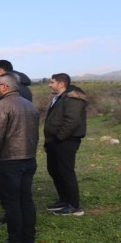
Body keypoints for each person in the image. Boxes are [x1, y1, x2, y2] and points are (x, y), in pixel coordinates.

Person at [0, 73, 40, 243]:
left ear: (5, 87)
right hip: (29, 158)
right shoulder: (30, 105)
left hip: (8, 161)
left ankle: (15, 242)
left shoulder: (1, 105)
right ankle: (29, 237)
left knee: (11, 202)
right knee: (26, 198)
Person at [43, 73, 87, 216]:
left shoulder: (73, 97)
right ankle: (64, 199)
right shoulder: (59, 97)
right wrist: (49, 142)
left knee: (66, 171)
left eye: (52, 82)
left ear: (61, 84)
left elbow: (72, 121)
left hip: (66, 141)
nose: (49, 85)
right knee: (54, 170)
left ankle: (74, 206)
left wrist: (59, 137)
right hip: (54, 141)